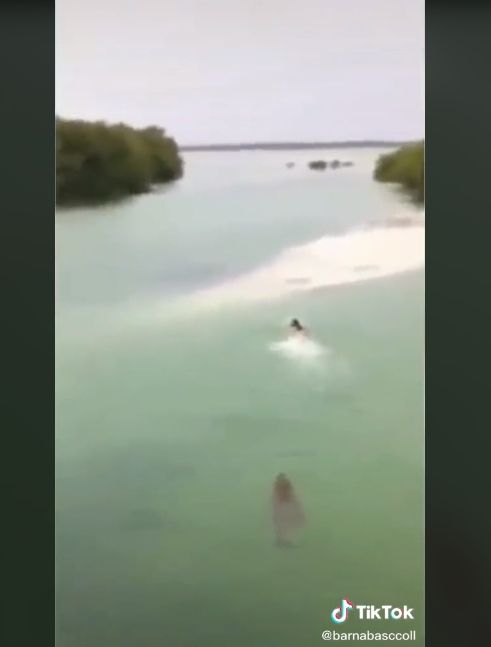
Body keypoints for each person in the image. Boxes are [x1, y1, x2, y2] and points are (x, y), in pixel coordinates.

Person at [272, 473, 306, 546]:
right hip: (282, 504)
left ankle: (285, 540)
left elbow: (290, 493)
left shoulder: (285, 484)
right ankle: (281, 540)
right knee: (281, 523)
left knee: (285, 523)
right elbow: (277, 494)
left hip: (285, 503)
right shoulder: (279, 485)